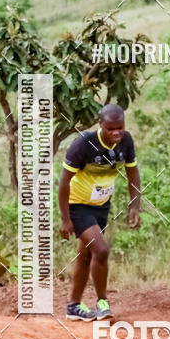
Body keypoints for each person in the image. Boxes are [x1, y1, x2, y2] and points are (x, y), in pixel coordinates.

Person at [58, 104, 141, 321]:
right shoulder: (83, 145)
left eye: (120, 128)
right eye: (111, 128)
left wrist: (135, 206)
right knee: (101, 250)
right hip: (78, 205)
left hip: (101, 206)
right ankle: (103, 302)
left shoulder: (126, 141)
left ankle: (74, 307)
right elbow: (64, 183)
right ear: (100, 125)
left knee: (86, 255)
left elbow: (133, 174)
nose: (116, 133)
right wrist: (65, 219)